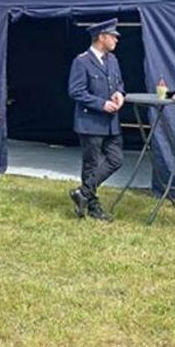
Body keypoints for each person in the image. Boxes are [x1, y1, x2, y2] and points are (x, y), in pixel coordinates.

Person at [67, 18, 126, 221]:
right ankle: (92, 206)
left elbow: (119, 83)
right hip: (91, 121)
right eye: (113, 36)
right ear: (102, 37)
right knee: (91, 164)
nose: (116, 40)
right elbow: (76, 91)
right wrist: (101, 104)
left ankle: (83, 192)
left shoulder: (113, 60)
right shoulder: (82, 61)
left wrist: (120, 93)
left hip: (111, 122)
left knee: (116, 159)